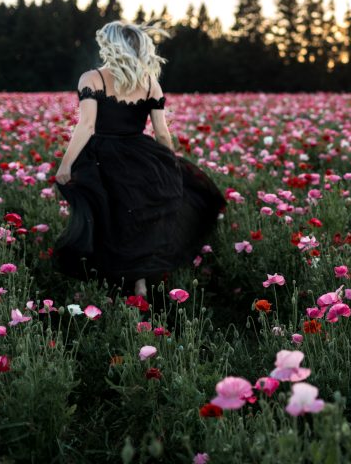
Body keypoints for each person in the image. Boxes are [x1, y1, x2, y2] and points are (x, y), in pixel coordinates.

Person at [53, 21, 225, 297]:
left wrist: (66, 164)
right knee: (136, 220)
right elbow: (162, 133)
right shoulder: (149, 82)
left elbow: (86, 126)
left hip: (101, 157)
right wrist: (169, 165)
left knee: (108, 218)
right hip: (142, 157)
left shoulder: (92, 78)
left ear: (110, 46)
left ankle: (113, 281)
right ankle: (140, 281)